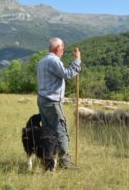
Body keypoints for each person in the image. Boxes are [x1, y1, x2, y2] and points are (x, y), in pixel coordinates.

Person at [37, 37, 81, 169]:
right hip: (52, 101)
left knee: (48, 131)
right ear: (57, 48)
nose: (63, 51)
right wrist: (77, 60)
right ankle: (64, 162)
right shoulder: (53, 60)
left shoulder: (42, 61)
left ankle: (48, 160)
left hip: (42, 100)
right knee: (60, 130)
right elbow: (67, 74)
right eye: (62, 48)